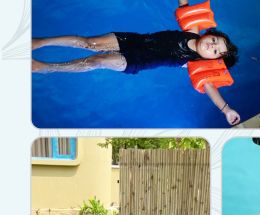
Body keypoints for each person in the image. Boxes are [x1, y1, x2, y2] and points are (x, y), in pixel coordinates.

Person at [32, 0, 241, 125]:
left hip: (136, 61)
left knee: (98, 60)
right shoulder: (191, 31)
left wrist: (226, 110)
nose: (211, 46)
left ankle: (47, 68)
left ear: (213, 60)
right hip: (132, 39)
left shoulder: (194, 62)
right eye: (214, 40)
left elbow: (210, 87)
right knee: (90, 42)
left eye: (216, 51)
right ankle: (40, 42)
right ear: (209, 33)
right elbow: (183, 3)